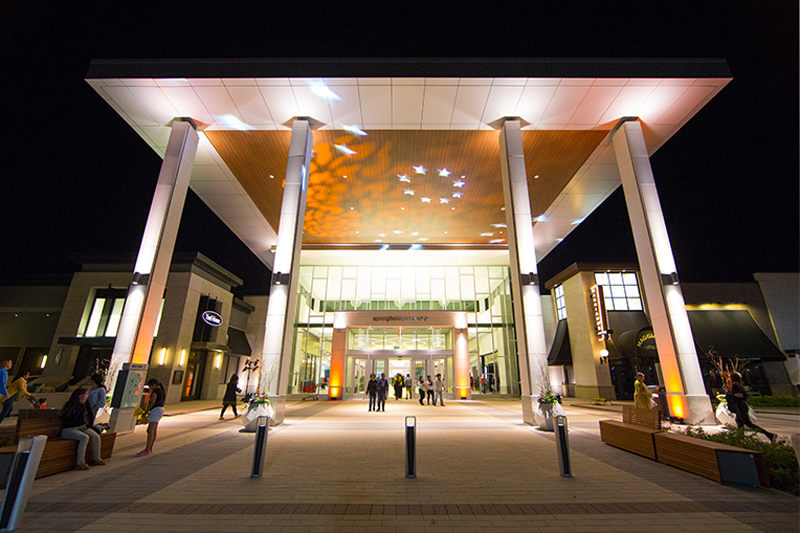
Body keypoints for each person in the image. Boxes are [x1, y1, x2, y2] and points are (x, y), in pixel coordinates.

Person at [61, 388, 105, 470]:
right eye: (85, 394)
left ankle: (97, 458)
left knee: (96, 436)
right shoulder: (70, 405)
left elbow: (89, 415)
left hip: (81, 427)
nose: (87, 397)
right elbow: (70, 421)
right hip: (70, 429)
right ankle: (80, 462)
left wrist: (84, 404)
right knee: (84, 437)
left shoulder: (84, 405)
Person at [726, 373, 776, 443]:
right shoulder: (739, 385)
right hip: (742, 406)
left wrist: (730, 394)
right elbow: (742, 396)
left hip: (740, 407)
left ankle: (769, 434)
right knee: (740, 423)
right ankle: (740, 439)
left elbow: (734, 397)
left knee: (747, 423)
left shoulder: (735, 386)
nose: (728, 378)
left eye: (729, 377)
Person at [137, 378, 165, 456]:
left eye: (150, 386)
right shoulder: (161, 390)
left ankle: (147, 448)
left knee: (150, 430)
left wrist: (147, 411)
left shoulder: (156, 391)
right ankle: (150, 447)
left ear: (153, 385)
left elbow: (152, 402)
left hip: (155, 410)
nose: (150, 388)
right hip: (160, 409)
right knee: (154, 429)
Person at [0, 360, 12, 424]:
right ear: (6, 364)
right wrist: (6, 394)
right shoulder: (3, 372)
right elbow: (2, 383)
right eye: (10, 363)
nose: (11, 365)